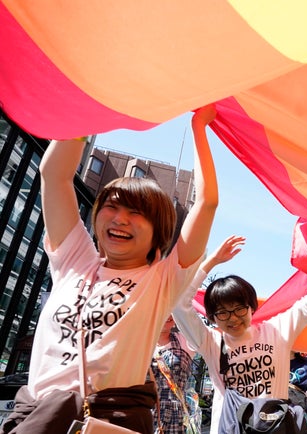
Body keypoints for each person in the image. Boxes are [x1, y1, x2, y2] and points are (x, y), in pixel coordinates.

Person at [0, 105, 219, 434]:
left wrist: (199, 128)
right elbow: (54, 175)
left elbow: (207, 203)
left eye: (136, 212)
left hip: (107, 421)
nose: (120, 218)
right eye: (111, 206)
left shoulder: (161, 280)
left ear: (158, 230)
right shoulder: (75, 259)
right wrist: (94, 102)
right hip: (37, 416)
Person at [172, 235, 307, 434]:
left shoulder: (276, 331)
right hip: (233, 428)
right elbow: (179, 304)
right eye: (222, 312)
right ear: (213, 317)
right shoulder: (211, 342)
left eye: (239, 309)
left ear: (251, 307)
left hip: (276, 427)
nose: (233, 318)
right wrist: (212, 261)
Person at [152, 316, 202, 434]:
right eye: (163, 309)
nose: (168, 314)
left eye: (172, 309)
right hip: (146, 412)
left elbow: (213, 335)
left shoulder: (184, 340)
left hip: (177, 417)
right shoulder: (139, 343)